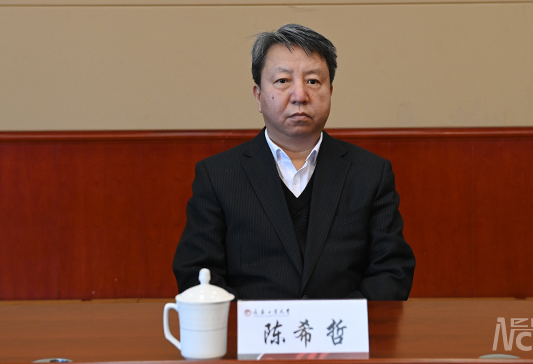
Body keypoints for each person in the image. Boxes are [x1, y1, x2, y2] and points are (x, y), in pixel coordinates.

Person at [173, 24, 415, 300]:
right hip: (251, 327)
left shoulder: (370, 173)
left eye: (312, 81)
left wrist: (337, 321)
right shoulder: (218, 176)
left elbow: (392, 271)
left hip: (342, 327)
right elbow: (198, 273)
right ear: (258, 96)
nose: (300, 96)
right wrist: (253, 323)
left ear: (330, 92)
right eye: (282, 81)